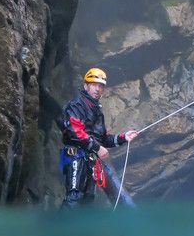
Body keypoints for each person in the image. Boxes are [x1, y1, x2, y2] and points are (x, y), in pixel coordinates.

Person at [59, 66, 138, 207]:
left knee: (87, 200)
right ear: (86, 86)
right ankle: (61, 228)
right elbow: (75, 132)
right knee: (74, 198)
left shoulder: (96, 110)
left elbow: (102, 138)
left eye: (101, 86)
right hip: (75, 156)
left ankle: (79, 229)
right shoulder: (76, 105)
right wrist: (97, 147)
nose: (97, 89)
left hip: (90, 161)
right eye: (94, 85)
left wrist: (123, 137)